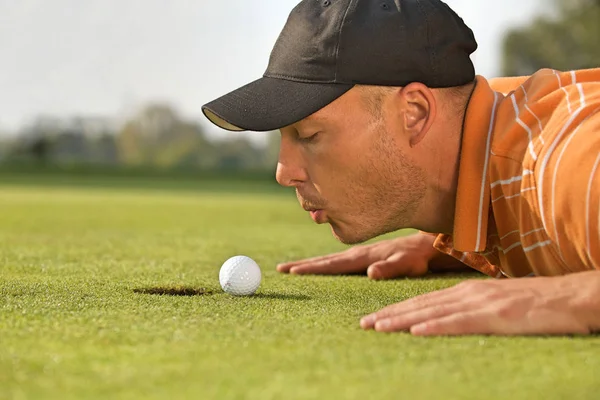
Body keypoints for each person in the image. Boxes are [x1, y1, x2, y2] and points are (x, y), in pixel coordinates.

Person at [201, 0, 600, 336]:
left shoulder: (562, 164)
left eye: (309, 135)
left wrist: (571, 297)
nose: (284, 172)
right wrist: (457, 238)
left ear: (414, 113)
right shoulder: (504, 127)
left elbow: (567, 176)